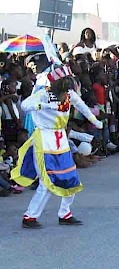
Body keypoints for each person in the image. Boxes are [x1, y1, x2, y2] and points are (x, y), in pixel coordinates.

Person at [12, 64, 103, 228]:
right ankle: (30, 217)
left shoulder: (70, 95)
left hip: (61, 140)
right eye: (65, 81)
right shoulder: (43, 94)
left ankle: (65, 213)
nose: (68, 85)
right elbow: (25, 106)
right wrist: (43, 106)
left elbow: (82, 106)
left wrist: (94, 121)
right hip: (44, 139)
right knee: (46, 182)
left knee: (71, 178)